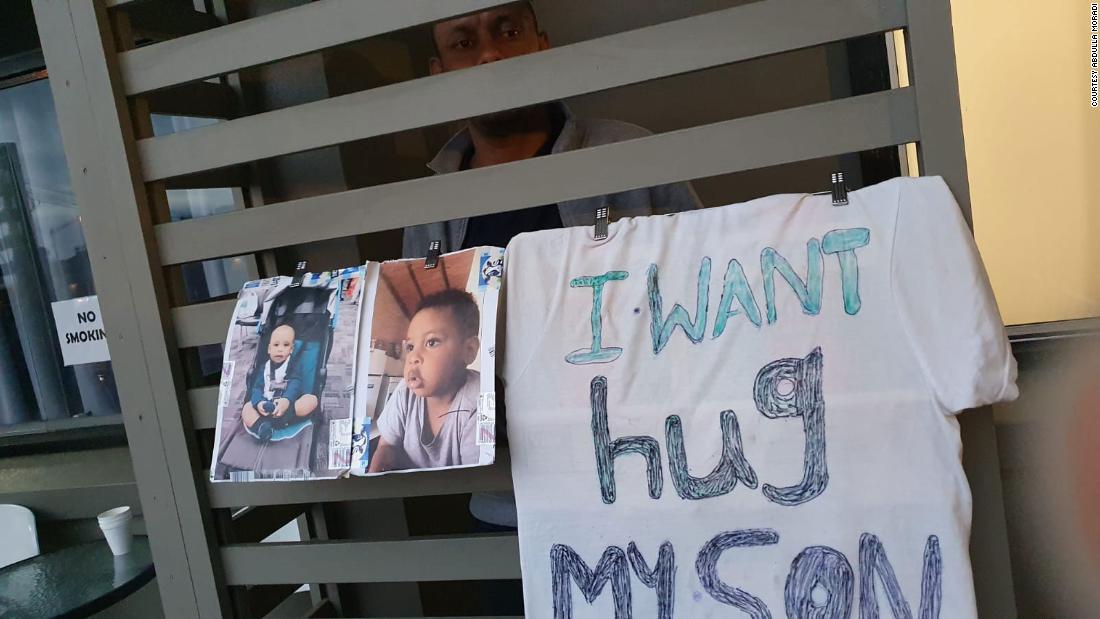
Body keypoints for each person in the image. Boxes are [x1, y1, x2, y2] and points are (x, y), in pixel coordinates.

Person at [402, 0, 702, 258]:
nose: (490, 55)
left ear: (543, 48)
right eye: (464, 44)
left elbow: (704, 284)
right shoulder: (427, 212)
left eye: (509, 33)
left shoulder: (632, 155)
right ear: (438, 74)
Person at [369, 290, 482, 472]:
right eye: (411, 346)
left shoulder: (477, 400)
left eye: (431, 342)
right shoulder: (405, 391)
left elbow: (475, 478)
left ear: (468, 350)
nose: (413, 357)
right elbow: (386, 446)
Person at [241, 324, 318, 441]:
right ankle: (262, 427)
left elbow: (295, 384)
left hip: (288, 410)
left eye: (285, 345)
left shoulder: (292, 366)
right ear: (269, 349)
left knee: (311, 400)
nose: (280, 349)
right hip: (265, 410)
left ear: (291, 349)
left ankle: (281, 421)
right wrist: (259, 403)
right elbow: (256, 388)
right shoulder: (264, 368)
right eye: (276, 345)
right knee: (247, 408)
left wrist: (286, 400)